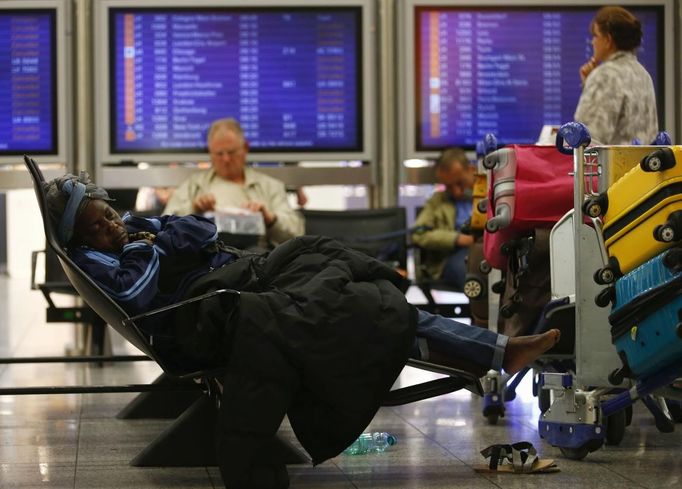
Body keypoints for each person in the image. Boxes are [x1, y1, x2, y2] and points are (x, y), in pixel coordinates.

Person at [43, 172, 559, 489]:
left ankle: (493, 351)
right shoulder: (108, 257)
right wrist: (150, 241)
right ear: (80, 237)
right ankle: (494, 352)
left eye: (110, 214)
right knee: (359, 308)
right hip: (219, 308)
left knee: (340, 277)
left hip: (240, 281)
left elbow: (202, 232)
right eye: (98, 226)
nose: (111, 226)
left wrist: (155, 232)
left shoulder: (132, 234)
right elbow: (138, 291)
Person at [163, 118, 304, 248]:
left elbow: (297, 235)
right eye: (219, 153)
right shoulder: (193, 186)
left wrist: (270, 219)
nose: (226, 159)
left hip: (256, 259)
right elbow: (164, 229)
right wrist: (193, 210)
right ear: (210, 152)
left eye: (231, 152)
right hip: (204, 260)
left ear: (245, 148)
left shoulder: (270, 186)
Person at [574, 6, 658, 145]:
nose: (592, 42)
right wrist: (589, 85)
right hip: (642, 165)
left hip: (612, 166)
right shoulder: (644, 75)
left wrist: (594, 82)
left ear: (608, 40)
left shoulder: (604, 76)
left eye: (595, 35)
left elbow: (587, 139)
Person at [412, 147, 475, 289]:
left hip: (487, 252)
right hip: (454, 257)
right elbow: (418, 233)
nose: (456, 192)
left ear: (471, 170)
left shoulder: (490, 196)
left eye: (460, 183)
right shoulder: (437, 201)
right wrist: (456, 239)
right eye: (448, 187)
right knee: (471, 273)